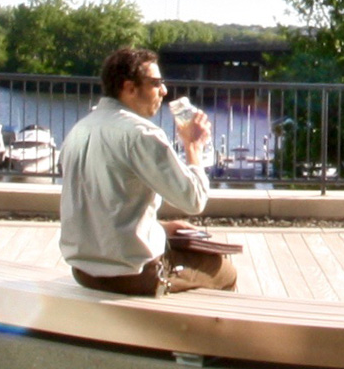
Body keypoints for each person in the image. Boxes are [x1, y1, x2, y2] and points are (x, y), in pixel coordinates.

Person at [57, 46, 236, 294]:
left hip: (83, 272)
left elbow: (104, 210)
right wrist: (193, 147)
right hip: (133, 274)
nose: (164, 90)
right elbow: (194, 200)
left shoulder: (79, 130)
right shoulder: (142, 134)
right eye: (156, 83)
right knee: (223, 270)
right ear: (129, 88)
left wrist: (160, 227)